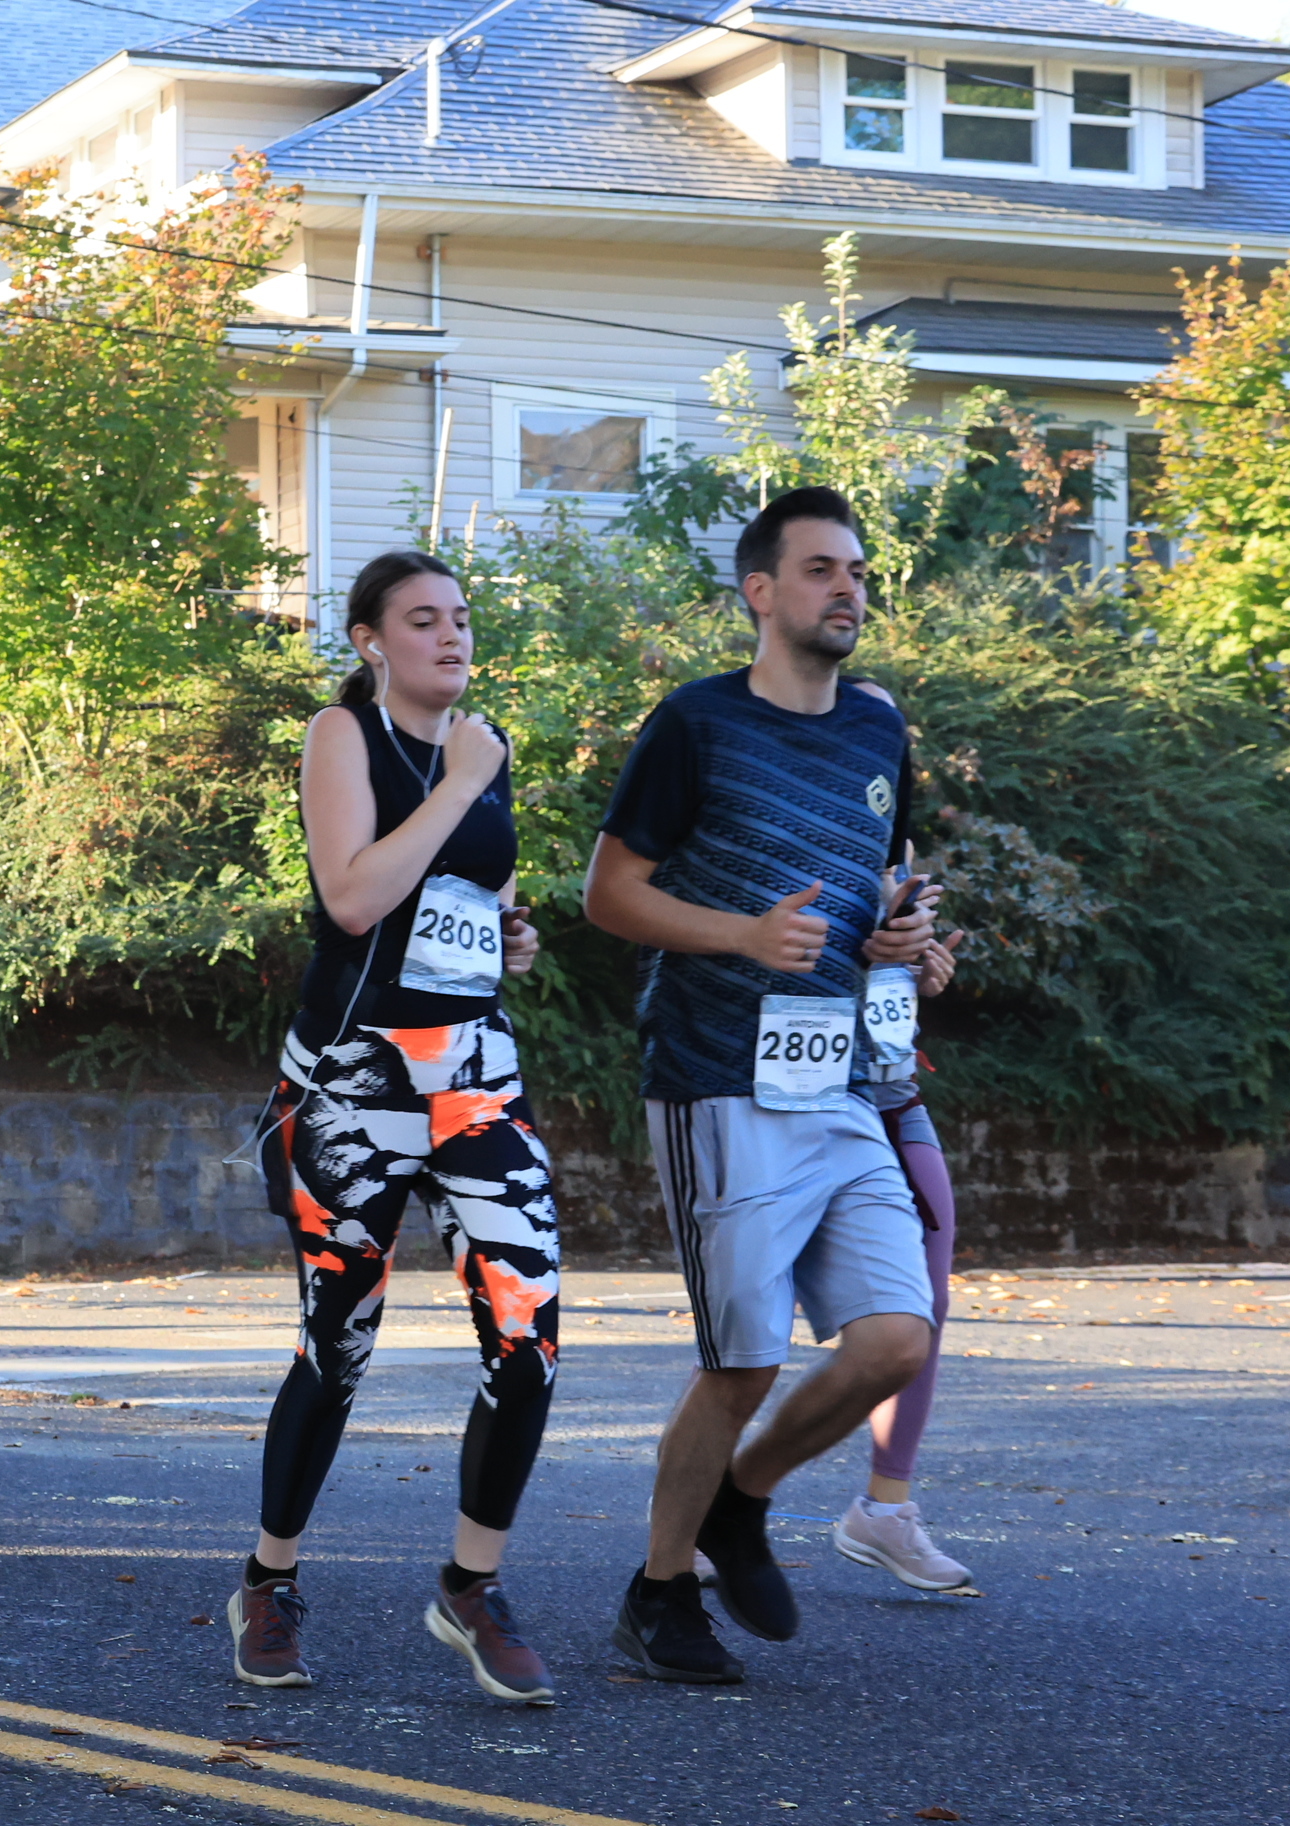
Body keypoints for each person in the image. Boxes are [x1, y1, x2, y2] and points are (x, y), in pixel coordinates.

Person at [582, 486, 939, 1686]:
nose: (848, 589)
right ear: (761, 591)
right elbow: (608, 893)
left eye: (858, 571)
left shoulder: (877, 730)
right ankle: (658, 1592)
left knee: (895, 1339)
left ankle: (741, 1499)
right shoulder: (697, 722)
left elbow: (881, 888)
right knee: (741, 1362)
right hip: (716, 1078)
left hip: (837, 1081)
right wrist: (741, 933)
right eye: (822, 569)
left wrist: (902, 937)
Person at [233, 550, 562, 1706]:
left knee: (528, 1330)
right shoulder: (344, 734)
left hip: (474, 1073)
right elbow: (354, 896)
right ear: (371, 640)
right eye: (423, 619)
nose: (452, 635)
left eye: (461, 616)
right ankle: (269, 1579)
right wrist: (463, 786)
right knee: (339, 1342)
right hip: (352, 1078)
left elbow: (459, 901)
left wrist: (506, 934)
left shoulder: (482, 745)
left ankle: (472, 1584)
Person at [833, 827, 977, 1591]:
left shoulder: (894, 841)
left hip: (894, 1096)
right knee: (749, 1312)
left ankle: (885, 1509)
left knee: (927, 1303)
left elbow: (890, 972)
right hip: (797, 1098)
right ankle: (692, 1510)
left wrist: (918, 968)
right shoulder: (783, 817)